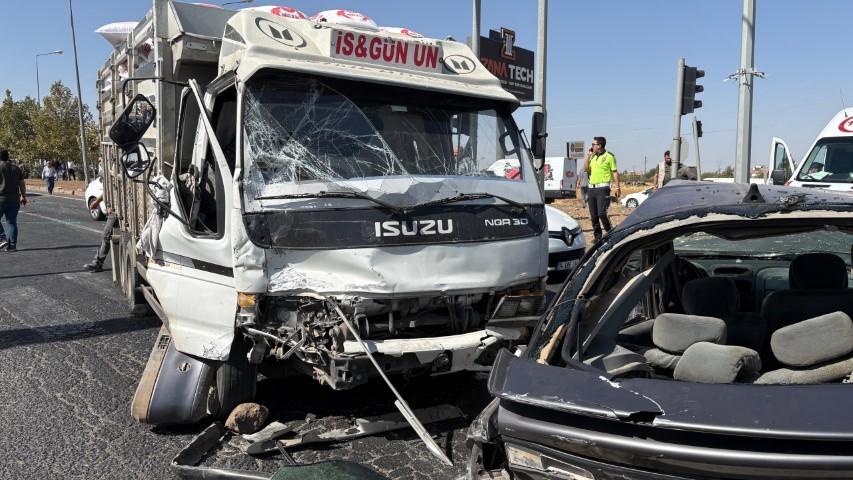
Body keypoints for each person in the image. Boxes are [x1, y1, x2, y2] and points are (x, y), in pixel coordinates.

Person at [583, 136, 620, 243]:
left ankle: (610, 233)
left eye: (593, 144)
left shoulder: (609, 156)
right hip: (591, 189)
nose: (591, 146)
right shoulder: (593, 156)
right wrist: (588, 156)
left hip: (603, 189)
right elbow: (585, 169)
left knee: (601, 213)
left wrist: (618, 187)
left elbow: (614, 172)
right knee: (593, 215)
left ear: (599, 145)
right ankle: (597, 236)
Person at [0, 149, 28, 252]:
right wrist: (23, 196)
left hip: (1, 199)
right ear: (7, 157)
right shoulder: (16, 169)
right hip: (14, 200)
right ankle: (12, 246)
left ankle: (2, 238)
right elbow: (22, 184)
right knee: (12, 223)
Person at [83, 192, 117, 272]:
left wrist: (97, 202)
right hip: (116, 210)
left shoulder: (110, 179)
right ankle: (97, 262)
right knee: (107, 236)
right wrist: (97, 202)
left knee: (106, 235)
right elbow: (107, 190)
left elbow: (107, 190)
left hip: (116, 211)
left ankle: (97, 263)